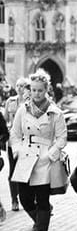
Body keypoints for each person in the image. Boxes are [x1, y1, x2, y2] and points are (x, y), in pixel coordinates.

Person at [9, 70, 67, 231]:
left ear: (46, 90)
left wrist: (50, 155)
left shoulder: (55, 113)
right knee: (25, 198)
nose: (36, 94)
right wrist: (17, 150)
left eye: (40, 90)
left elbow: (62, 138)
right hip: (25, 158)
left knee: (42, 200)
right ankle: (40, 220)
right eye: (33, 90)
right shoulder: (21, 110)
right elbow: (15, 135)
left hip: (44, 161)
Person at [4, 78, 30, 213]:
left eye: (22, 86)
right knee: (12, 170)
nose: (20, 88)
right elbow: (5, 121)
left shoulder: (29, 102)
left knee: (26, 170)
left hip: (26, 142)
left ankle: (27, 198)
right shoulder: (10, 101)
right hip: (13, 141)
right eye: (18, 85)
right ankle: (14, 200)